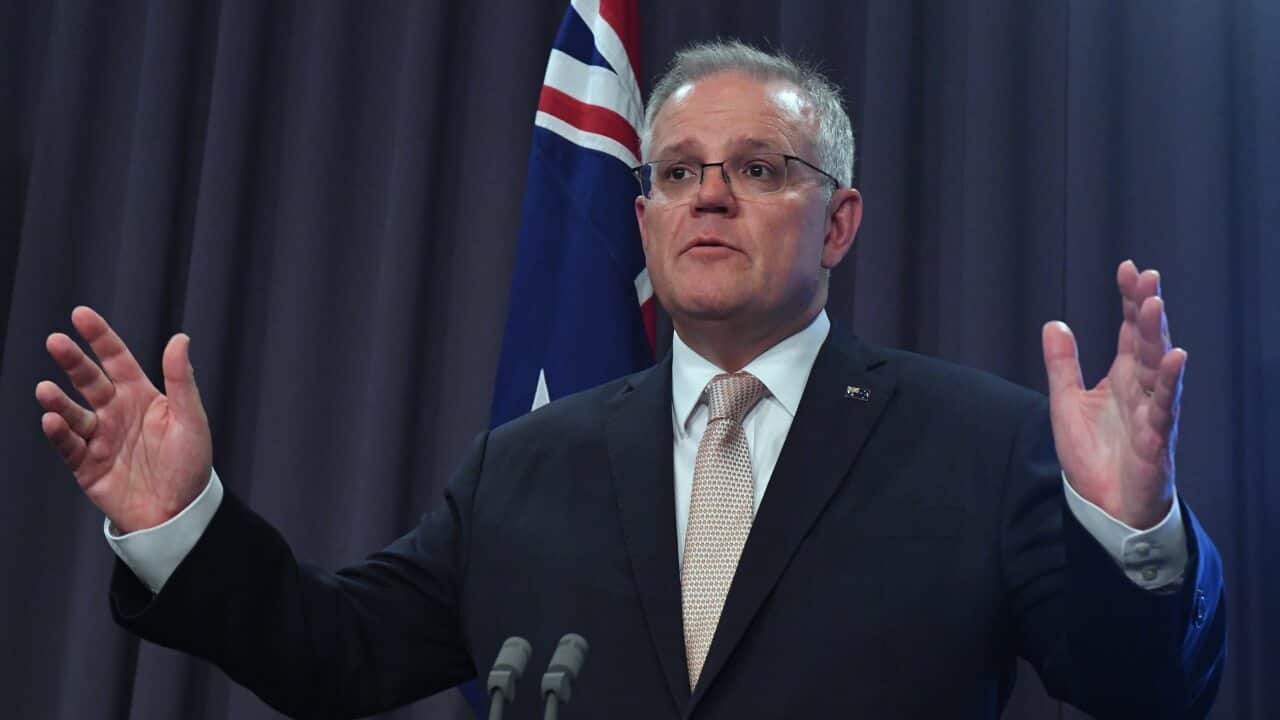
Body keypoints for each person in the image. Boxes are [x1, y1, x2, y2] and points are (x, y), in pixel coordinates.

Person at [37, 41, 1223, 718]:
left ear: (839, 222)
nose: (708, 194)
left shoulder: (980, 440)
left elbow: (1138, 694)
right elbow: (334, 656)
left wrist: (1128, 532)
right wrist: (179, 528)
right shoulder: (527, 463)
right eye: (678, 171)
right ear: (643, 214)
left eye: (757, 167)